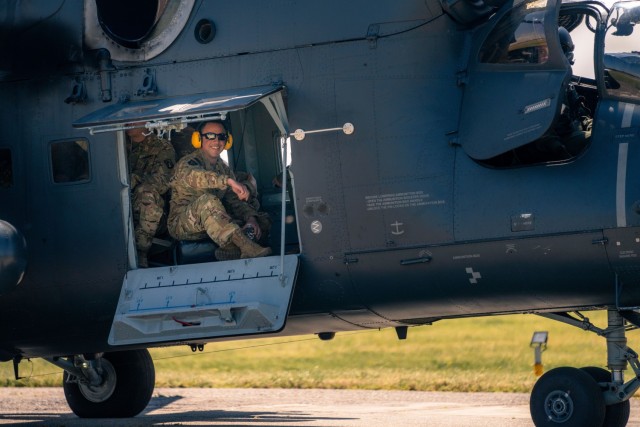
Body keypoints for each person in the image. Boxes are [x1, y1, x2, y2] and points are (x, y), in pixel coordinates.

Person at [167, 120, 272, 260]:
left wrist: (251, 219)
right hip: (183, 224)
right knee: (208, 201)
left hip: (213, 224)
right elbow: (198, 177)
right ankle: (245, 246)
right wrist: (228, 181)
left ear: (227, 141)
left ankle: (232, 251)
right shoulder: (188, 163)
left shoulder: (223, 168)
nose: (216, 141)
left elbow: (234, 200)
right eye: (210, 136)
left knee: (262, 220)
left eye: (221, 137)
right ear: (198, 139)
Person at [126, 123, 176, 268]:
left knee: (146, 193)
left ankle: (139, 255)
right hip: (122, 210)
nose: (128, 122)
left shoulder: (162, 147)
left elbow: (164, 181)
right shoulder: (116, 145)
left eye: (134, 117)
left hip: (154, 215)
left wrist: (134, 179)